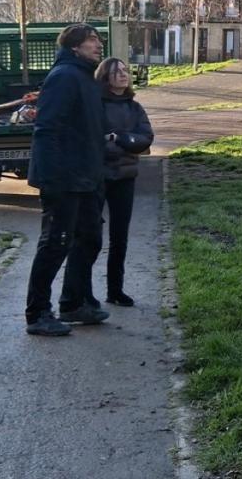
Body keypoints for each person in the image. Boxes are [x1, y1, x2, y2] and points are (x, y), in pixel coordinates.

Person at [24, 24, 109, 336]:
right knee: (55, 243)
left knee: (89, 237)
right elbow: (47, 129)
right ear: (75, 47)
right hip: (62, 178)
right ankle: (37, 313)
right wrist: (55, 177)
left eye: (98, 39)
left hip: (85, 177)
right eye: (92, 40)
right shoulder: (64, 77)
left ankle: (73, 303)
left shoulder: (85, 77)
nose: (98, 45)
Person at [93, 57, 154, 307]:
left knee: (120, 237)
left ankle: (115, 290)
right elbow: (95, 139)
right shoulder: (95, 105)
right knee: (90, 236)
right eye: (115, 71)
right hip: (97, 178)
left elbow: (145, 138)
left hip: (125, 178)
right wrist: (123, 143)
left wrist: (119, 138)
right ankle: (83, 293)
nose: (122, 75)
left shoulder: (134, 107)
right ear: (105, 77)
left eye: (124, 70)